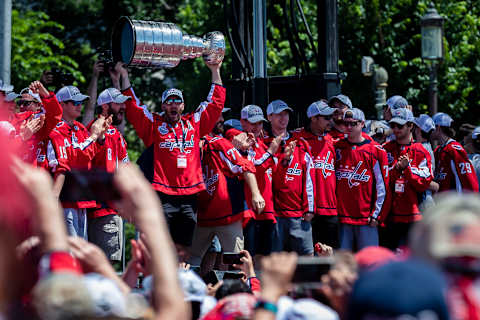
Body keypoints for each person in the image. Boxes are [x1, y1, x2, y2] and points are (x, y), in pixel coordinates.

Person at [116, 60, 226, 256]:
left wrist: (215, 70)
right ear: (163, 105)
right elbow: (133, 107)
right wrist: (124, 75)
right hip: (163, 193)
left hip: (190, 194)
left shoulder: (194, 124)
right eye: (169, 101)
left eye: (177, 101)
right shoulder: (154, 126)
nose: (173, 105)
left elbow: (215, 103)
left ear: (183, 106)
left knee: (183, 248)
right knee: (161, 244)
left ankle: (178, 280)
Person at [187, 114, 265, 265]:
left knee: (236, 261)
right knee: (192, 260)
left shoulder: (219, 142)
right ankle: (195, 288)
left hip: (227, 216)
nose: (222, 119)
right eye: (218, 116)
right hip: (201, 216)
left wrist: (256, 194)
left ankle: (239, 289)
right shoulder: (187, 143)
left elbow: (245, 166)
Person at [47, 85, 111, 239]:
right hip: (64, 202)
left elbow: (91, 156)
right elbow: (74, 157)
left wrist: (100, 136)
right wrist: (93, 137)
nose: (79, 106)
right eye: (75, 102)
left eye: (81, 102)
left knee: (80, 253)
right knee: (70, 253)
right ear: (61, 104)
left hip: (81, 201)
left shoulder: (80, 128)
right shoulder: (55, 130)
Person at [335, 108, 389, 251]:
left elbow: (382, 186)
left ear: (362, 124)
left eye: (353, 123)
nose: (349, 127)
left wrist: (376, 214)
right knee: (342, 264)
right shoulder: (337, 147)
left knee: (370, 263)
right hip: (342, 218)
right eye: (346, 123)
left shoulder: (375, 150)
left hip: (366, 219)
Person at [87, 87, 131, 261]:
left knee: (107, 263)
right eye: (118, 103)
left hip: (112, 210)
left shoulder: (115, 133)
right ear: (105, 106)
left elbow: (124, 167)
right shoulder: (95, 129)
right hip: (101, 210)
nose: (123, 107)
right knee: (105, 264)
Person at [266, 100, 315, 255]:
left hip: (299, 215)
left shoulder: (300, 143)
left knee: (307, 259)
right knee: (276, 261)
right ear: (269, 117)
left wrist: (310, 207)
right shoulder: (265, 143)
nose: (284, 118)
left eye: (286, 114)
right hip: (275, 215)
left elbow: (309, 177)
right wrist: (284, 160)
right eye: (279, 114)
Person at [382, 108, 433, 250]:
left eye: (400, 126)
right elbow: (382, 178)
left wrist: (407, 168)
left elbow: (424, 182)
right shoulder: (385, 149)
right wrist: (397, 168)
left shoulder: (421, 150)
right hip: (389, 216)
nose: (396, 129)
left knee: (412, 258)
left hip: (413, 216)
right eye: (393, 126)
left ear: (411, 126)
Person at [293, 101, 339, 248]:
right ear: (313, 118)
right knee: (308, 256)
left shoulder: (333, 140)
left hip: (330, 207)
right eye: (326, 117)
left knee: (330, 256)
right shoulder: (297, 138)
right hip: (308, 209)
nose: (330, 121)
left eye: (330, 117)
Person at [239, 105, 280, 258]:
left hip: (267, 209)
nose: (257, 127)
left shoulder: (261, 144)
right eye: (253, 122)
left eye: (260, 123)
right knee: (247, 257)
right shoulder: (242, 143)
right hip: (250, 209)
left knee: (264, 257)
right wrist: (271, 152)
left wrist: (284, 158)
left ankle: (260, 283)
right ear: (242, 122)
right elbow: (254, 167)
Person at [431, 112, 479, 193]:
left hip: (455, 203)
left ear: (438, 128)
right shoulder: (438, 150)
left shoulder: (455, 150)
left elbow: (469, 180)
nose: (429, 130)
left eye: (432, 127)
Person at [413, 114, 439, 209]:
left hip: (423, 200)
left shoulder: (422, 149)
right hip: (426, 198)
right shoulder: (426, 146)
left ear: (418, 130)